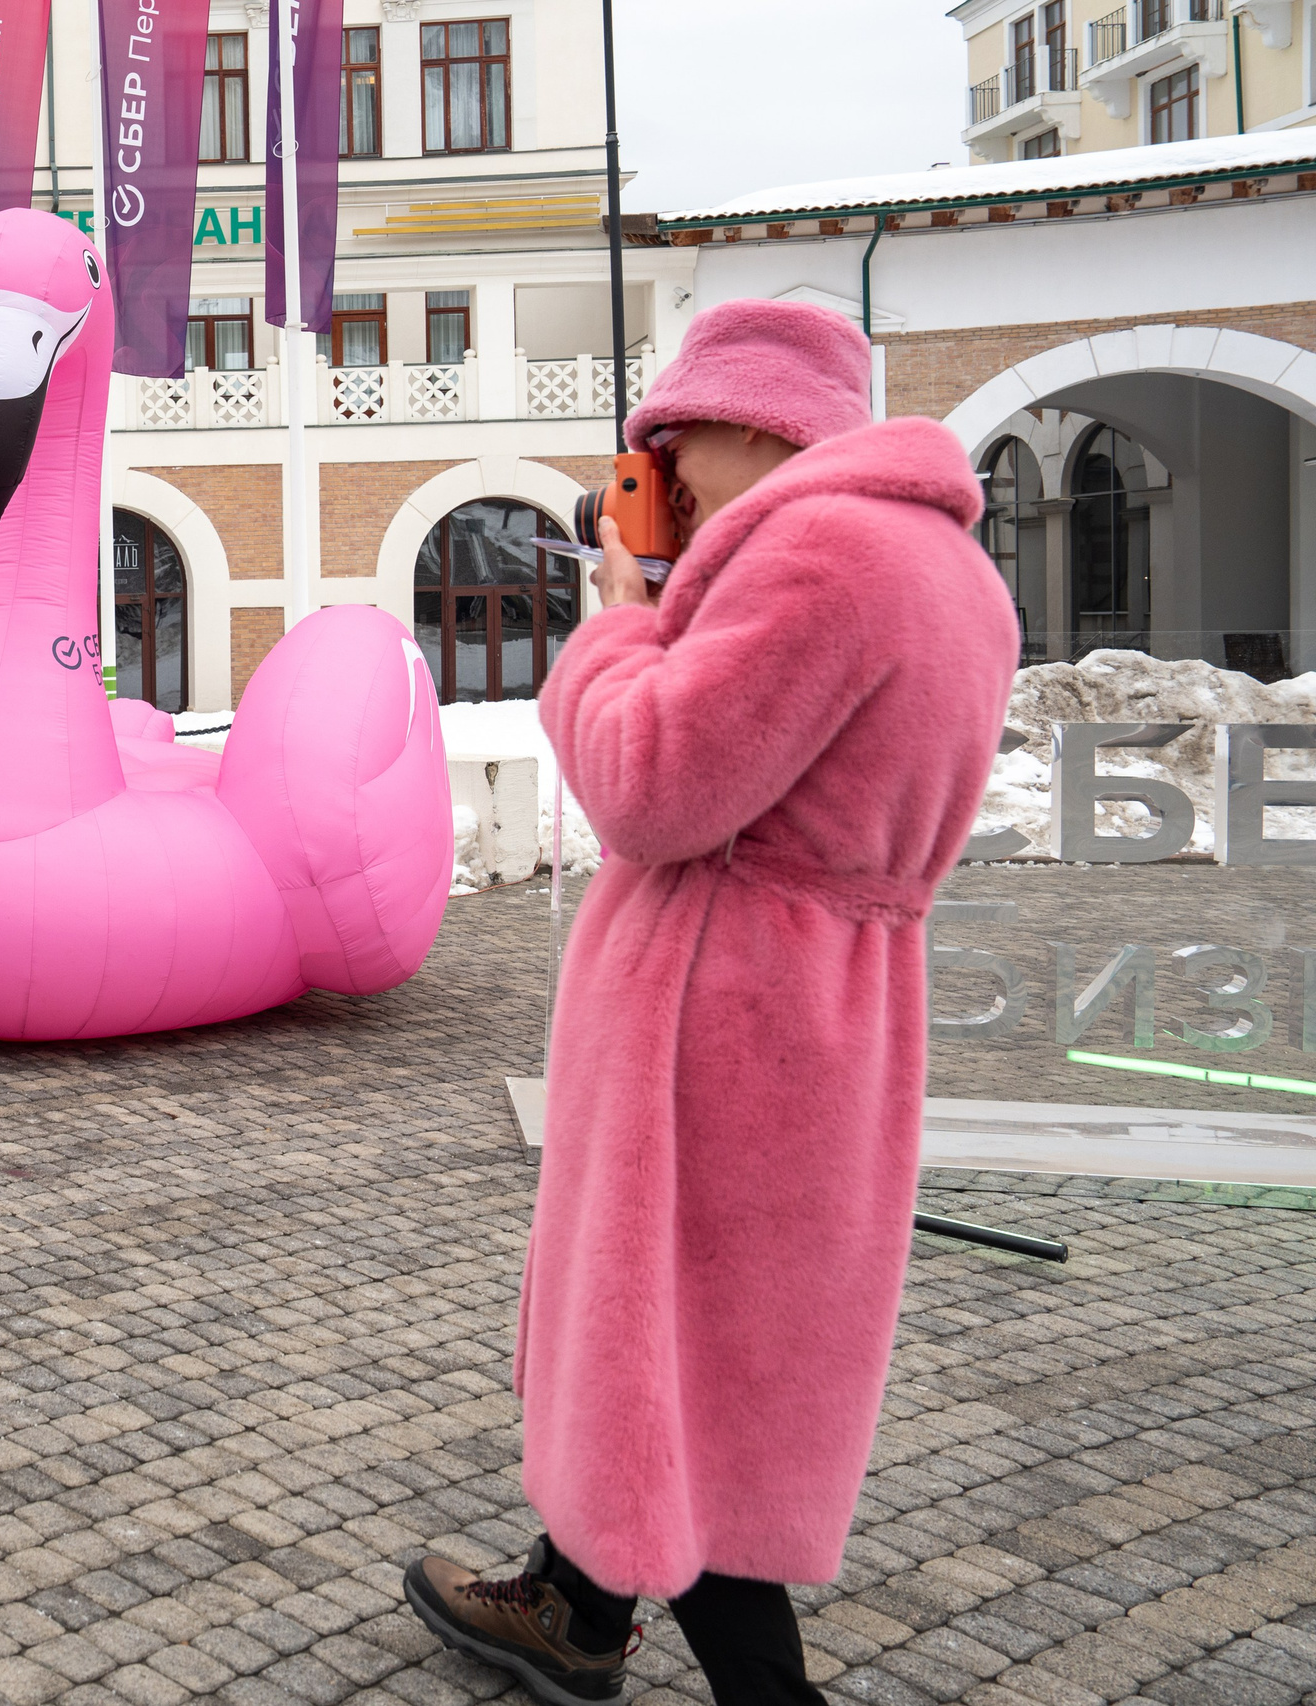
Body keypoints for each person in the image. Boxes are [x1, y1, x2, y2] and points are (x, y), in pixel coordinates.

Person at [402, 301, 1019, 1705]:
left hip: (727, 1000)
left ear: (747, 421)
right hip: (828, 993)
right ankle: (569, 1597)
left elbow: (653, 782)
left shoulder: (822, 551)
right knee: (714, 1322)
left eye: (669, 440)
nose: (660, 473)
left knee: (681, 1353)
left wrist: (617, 624)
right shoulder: (951, 568)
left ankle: (752, 1682)